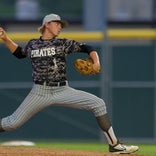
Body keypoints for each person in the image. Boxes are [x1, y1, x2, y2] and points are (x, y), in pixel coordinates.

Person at [0, 13, 139, 154]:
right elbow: (19, 53)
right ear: (47, 24)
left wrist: (96, 61)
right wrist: (6, 38)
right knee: (12, 123)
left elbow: (88, 48)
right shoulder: (33, 44)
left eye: (61, 25)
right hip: (39, 91)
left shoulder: (62, 43)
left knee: (98, 103)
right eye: (57, 23)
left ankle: (114, 145)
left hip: (62, 90)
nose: (60, 27)